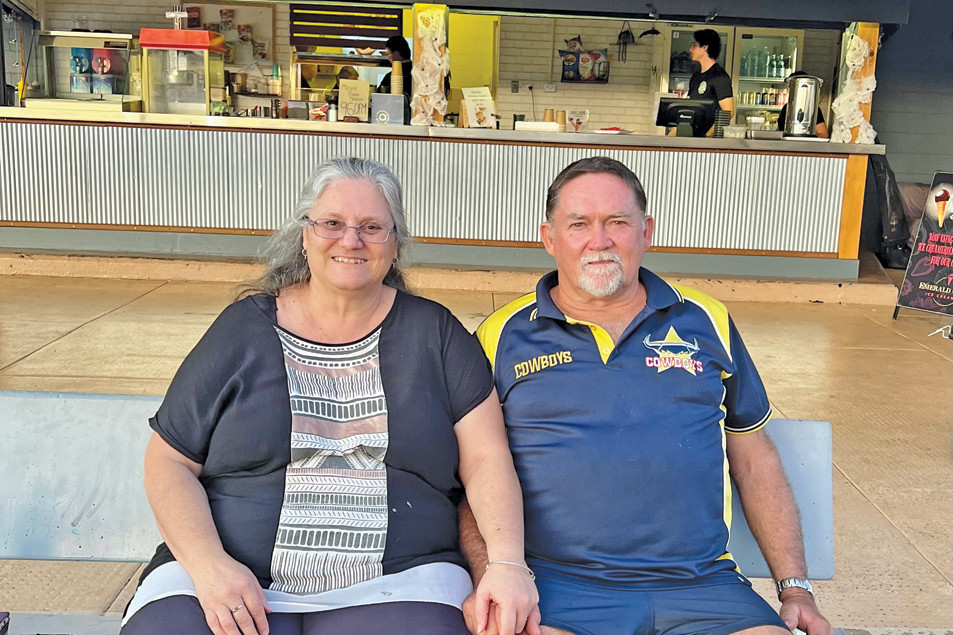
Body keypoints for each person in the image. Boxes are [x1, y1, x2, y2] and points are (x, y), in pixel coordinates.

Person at [121, 157, 538, 635]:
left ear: (395, 243)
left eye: (372, 226)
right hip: (231, 576)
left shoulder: (436, 334)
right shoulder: (243, 330)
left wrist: (507, 564)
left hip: (399, 583)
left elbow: (487, 459)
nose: (351, 240)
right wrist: (209, 565)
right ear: (304, 235)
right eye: (332, 223)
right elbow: (168, 461)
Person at [461, 156, 834, 635]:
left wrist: (795, 588)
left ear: (646, 231)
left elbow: (753, 456)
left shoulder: (706, 321)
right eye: (579, 224)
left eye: (618, 222)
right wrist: (493, 572)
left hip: (704, 586)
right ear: (549, 238)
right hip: (557, 588)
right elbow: (471, 469)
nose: (600, 241)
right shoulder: (501, 336)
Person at [687, 28, 734, 136]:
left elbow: (728, 112)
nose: (690, 49)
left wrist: (708, 136)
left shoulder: (720, 77)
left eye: (694, 45)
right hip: (691, 136)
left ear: (705, 47)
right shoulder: (696, 76)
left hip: (710, 142)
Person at [777, 71, 829, 138]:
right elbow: (780, 130)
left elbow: (823, 134)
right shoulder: (786, 108)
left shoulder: (813, 109)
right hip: (786, 146)